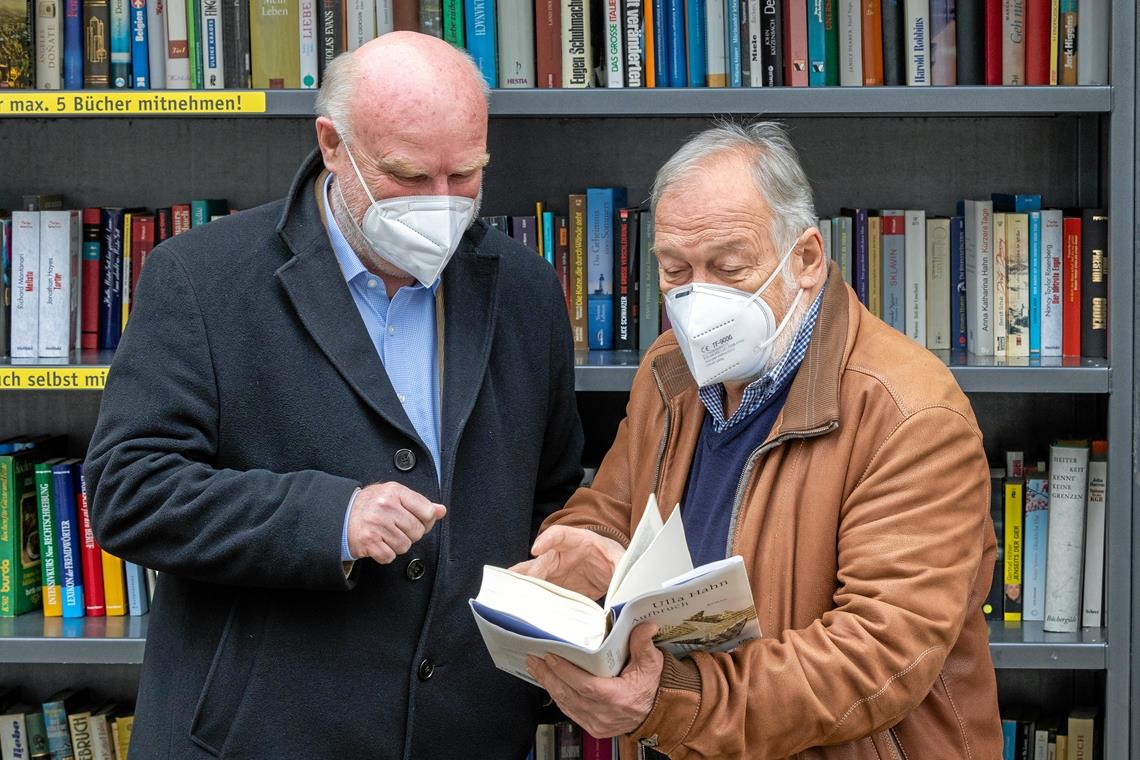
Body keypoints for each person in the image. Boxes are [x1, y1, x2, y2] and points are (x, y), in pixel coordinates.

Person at [85, 33, 583, 759]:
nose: (442, 205)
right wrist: (329, 516)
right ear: (331, 143)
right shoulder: (202, 279)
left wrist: (573, 559)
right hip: (262, 736)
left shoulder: (526, 289)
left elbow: (550, 490)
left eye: (466, 174)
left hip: (468, 732)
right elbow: (130, 494)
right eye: (408, 176)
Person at [515, 123, 1004, 759]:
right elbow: (617, 508)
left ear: (804, 259)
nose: (697, 300)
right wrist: (577, 549)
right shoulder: (668, 371)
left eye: (728, 267)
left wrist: (672, 700)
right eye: (675, 271)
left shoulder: (911, 415)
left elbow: (878, 658)